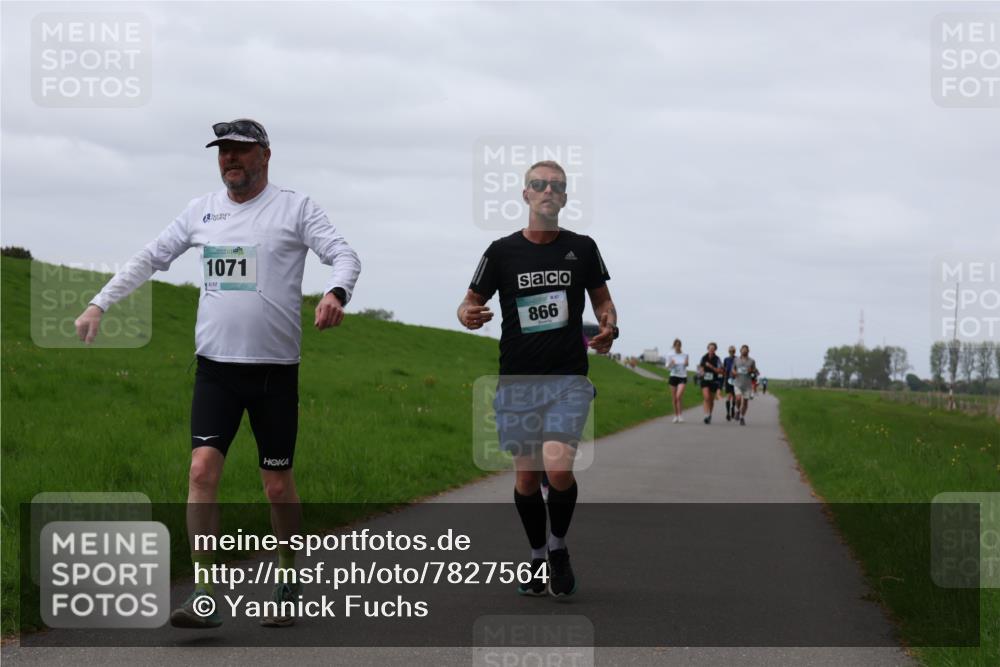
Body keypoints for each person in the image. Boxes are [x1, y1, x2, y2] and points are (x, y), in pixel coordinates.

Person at [74, 119, 361, 628]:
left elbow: (343, 254)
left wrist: (337, 292)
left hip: (274, 372)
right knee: (202, 471)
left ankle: (288, 578)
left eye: (241, 151)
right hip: (215, 369)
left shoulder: (295, 208)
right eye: (223, 152)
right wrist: (100, 303)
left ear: (265, 155)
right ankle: (204, 593)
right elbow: (150, 257)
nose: (231, 159)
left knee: (276, 485)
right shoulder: (200, 210)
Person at [458, 160, 617, 598]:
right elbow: (468, 302)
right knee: (527, 480)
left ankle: (559, 547)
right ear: (525, 195)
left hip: (567, 378)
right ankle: (536, 556)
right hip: (518, 382)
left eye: (557, 186)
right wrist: (468, 314)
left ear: (564, 198)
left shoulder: (582, 249)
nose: (548, 191)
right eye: (539, 185)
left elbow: (603, 303)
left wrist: (608, 326)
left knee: (557, 464)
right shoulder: (501, 251)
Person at [732, 345, 760, 426]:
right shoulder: (736, 360)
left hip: (747, 384)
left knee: (745, 402)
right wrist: (734, 372)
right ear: (740, 350)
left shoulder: (752, 361)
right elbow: (733, 369)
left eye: (746, 350)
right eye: (743, 349)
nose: (744, 351)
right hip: (737, 383)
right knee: (738, 398)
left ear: (748, 351)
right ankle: (737, 410)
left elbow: (756, 371)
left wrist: (752, 370)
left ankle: (742, 417)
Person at [698, 342, 723, 424]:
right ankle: (706, 415)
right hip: (705, 380)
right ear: (708, 349)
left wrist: (711, 367)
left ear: (715, 350)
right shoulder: (704, 357)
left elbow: (720, 370)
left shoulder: (717, 359)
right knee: (706, 397)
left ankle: (710, 414)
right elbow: (701, 367)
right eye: (710, 348)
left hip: (713, 380)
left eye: (713, 348)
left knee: (711, 400)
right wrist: (701, 372)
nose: (711, 350)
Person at [666, 339, 688, 423]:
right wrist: (672, 363)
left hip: (682, 376)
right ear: (674, 345)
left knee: (678, 396)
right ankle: (676, 416)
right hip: (673, 376)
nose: (678, 346)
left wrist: (686, 363)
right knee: (674, 398)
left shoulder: (685, 354)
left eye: (679, 345)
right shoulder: (670, 355)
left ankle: (680, 415)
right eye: (676, 345)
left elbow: (686, 364)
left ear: (681, 346)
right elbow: (667, 366)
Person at [722, 345, 737, 421]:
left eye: (733, 351)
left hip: (736, 380)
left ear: (735, 351)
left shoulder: (737, 359)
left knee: (734, 396)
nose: (731, 352)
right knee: (728, 396)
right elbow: (724, 370)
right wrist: (724, 381)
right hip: (728, 379)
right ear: (728, 351)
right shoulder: (726, 359)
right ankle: (728, 413)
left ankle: (733, 408)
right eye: (730, 351)